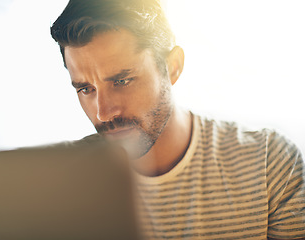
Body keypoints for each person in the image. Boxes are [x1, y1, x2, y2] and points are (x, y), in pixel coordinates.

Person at [50, 0, 305, 239]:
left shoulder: (268, 164)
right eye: (85, 89)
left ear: (173, 67)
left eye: (122, 81)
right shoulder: (61, 185)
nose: (103, 113)